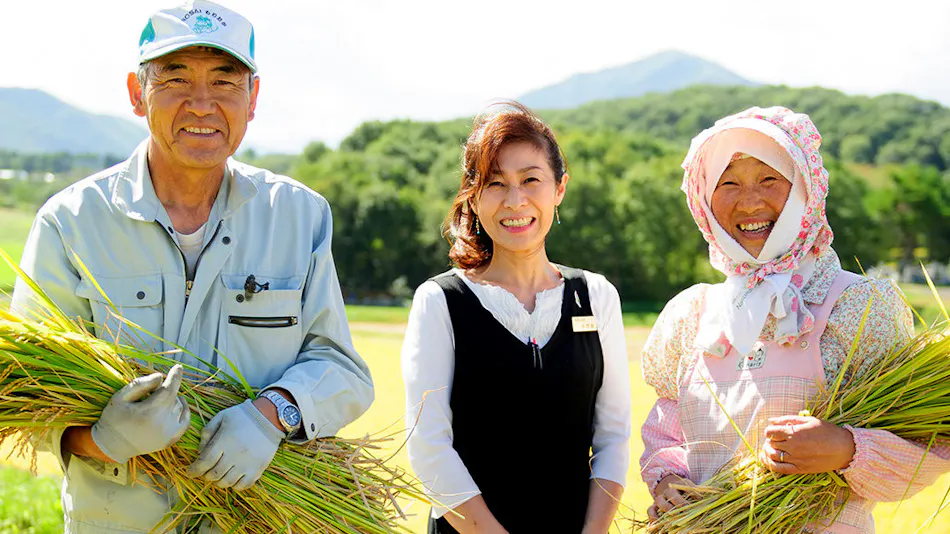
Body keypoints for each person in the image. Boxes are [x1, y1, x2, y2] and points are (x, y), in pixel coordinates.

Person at [10, 1, 373, 532]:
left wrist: (272, 415)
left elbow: (342, 368)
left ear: (253, 99)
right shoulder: (71, 223)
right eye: (175, 78)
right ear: (138, 94)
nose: (202, 104)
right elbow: (28, 398)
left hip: (260, 522)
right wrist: (105, 440)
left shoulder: (299, 216)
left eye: (225, 81)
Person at [639, 106, 950, 532]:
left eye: (770, 179)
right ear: (704, 200)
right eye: (727, 183)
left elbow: (925, 451)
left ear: (808, 190)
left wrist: (846, 449)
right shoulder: (692, 315)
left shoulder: (857, 307)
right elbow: (667, 434)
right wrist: (669, 481)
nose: (750, 201)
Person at [401, 102, 631, 534]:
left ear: (559, 188)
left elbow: (612, 437)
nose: (515, 200)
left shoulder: (597, 296)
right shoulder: (440, 301)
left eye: (531, 180)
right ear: (473, 194)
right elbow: (429, 447)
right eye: (495, 183)